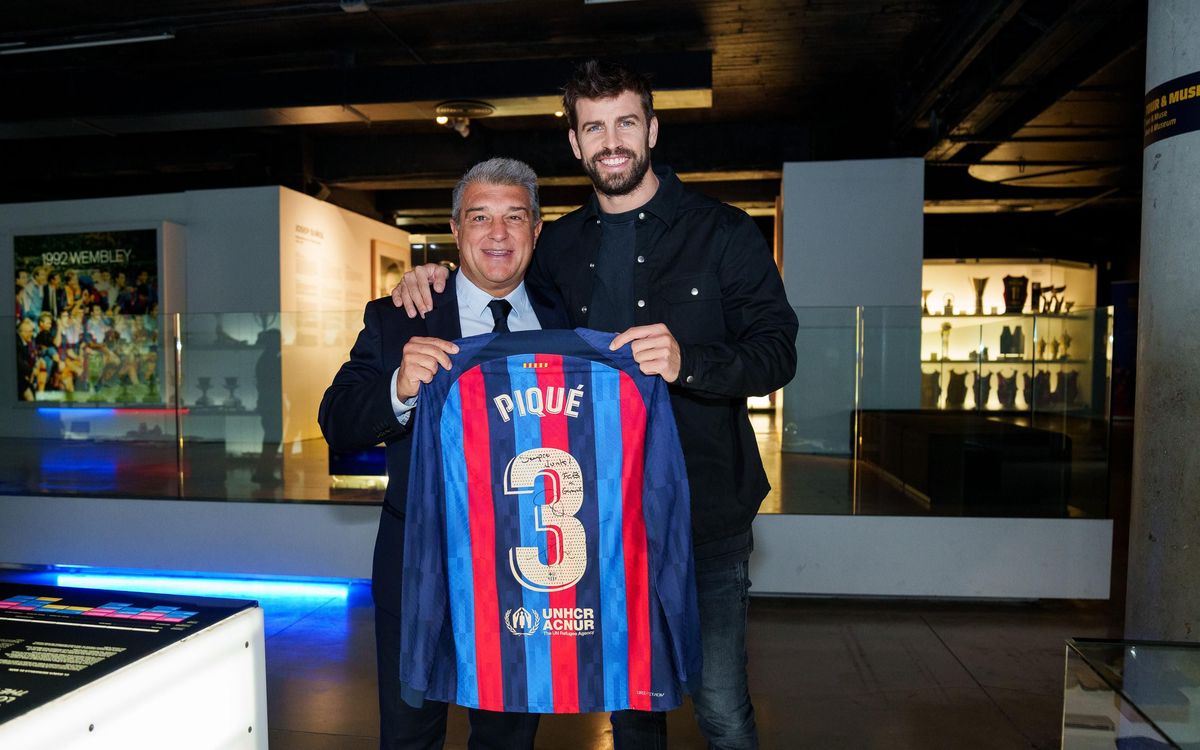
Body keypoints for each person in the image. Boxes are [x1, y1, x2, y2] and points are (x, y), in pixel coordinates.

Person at [393, 60, 798, 750]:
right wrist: (435, 273)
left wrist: (689, 361)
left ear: (652, 130)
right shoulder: (560, 248)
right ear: (577, 145)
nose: (612, 141)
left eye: (626, 123)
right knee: (631, 705)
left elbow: (778, 353)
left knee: (723, 707)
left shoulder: (723, 232)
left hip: (706, 513)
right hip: (601, 523)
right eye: (594, 128)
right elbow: (502, 293)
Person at [319, 157, 567, 750]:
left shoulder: (569, 318)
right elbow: (337, 421)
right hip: (417, 567)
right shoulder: (399, 316)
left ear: (536, 229)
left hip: (526, 567)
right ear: (456, 231)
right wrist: (398, 389)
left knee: (509, 735)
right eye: (480, 217)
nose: (498, 234)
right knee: (410, 733)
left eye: (514, 217)